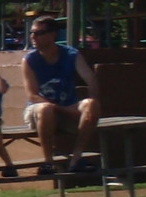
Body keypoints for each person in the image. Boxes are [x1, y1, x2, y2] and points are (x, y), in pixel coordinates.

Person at [21, 17, 100, 175]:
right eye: (32, 33)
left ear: (53, 35)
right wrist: (64, 110)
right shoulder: (30, 60)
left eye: (39, 33)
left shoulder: (71, 54)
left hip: (66, 110)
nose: (33, 37)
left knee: (92, 105)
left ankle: (77, 158)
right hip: (38, 111)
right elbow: (33, 95)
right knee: (46, 109)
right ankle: (48, 163)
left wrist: (91, 111)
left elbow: (91, 79)